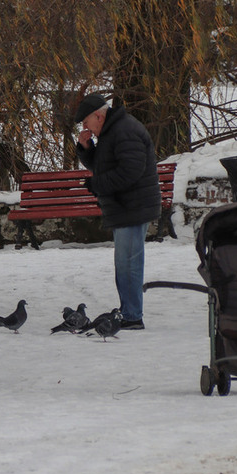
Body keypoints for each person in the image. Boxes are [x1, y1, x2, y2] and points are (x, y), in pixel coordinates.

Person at [74, 93, 161, 330]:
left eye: (86, 122)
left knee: (129, 263)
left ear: (99, 116)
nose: (85, 127)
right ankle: (127, 311)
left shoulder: (124, 130)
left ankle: (132, 315)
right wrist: (86, 148)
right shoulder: (113, 131)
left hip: (133, 207)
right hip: (127, 207)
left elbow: (129, 172)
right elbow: (104, 166)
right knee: (124, 263)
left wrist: (96, 185)